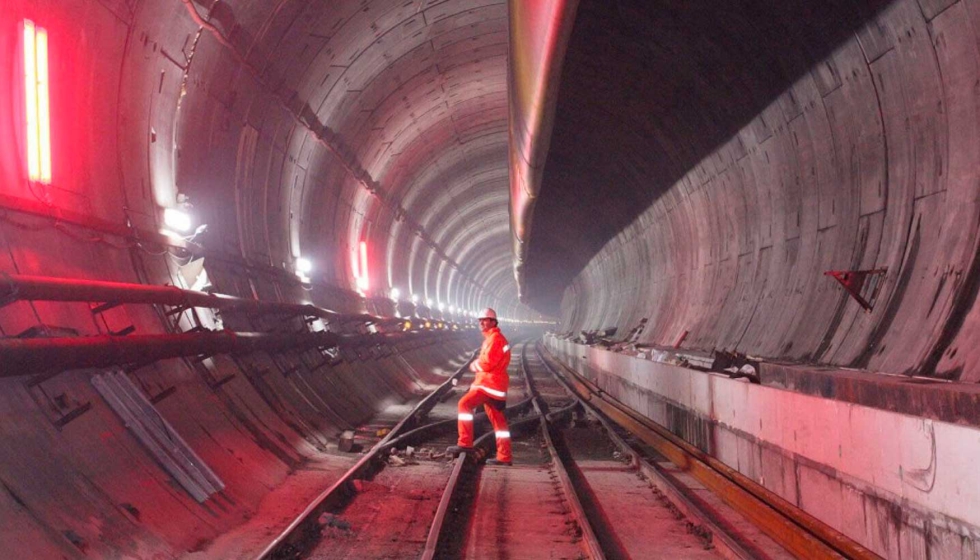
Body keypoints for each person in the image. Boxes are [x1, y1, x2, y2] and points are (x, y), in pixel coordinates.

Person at [447, 308, 512, 465]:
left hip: (488, 385)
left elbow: (487, 363)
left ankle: (465, 443)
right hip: (495, 386)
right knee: (499, 423)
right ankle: (505, 457)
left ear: (493, 322)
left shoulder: (495, 339)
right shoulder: (492, 338)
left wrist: (474, 365)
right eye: (480, 320)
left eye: (485, 320)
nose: (481, 323)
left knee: (464, 404)